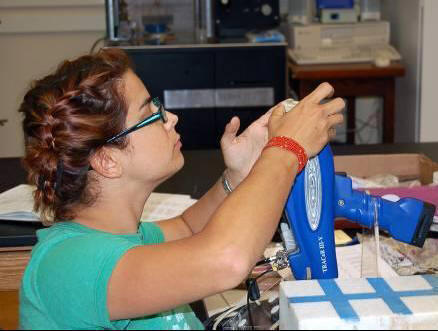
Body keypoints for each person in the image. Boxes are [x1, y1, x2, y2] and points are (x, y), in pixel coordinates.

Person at [18, 48, 344, 330]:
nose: (170, 117)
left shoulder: (120, 239)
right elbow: (226, 260)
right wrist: (287, 149)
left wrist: (239, 173)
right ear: (106, 160)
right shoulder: (68, 266)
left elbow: (189, 228)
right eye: (151, 113)